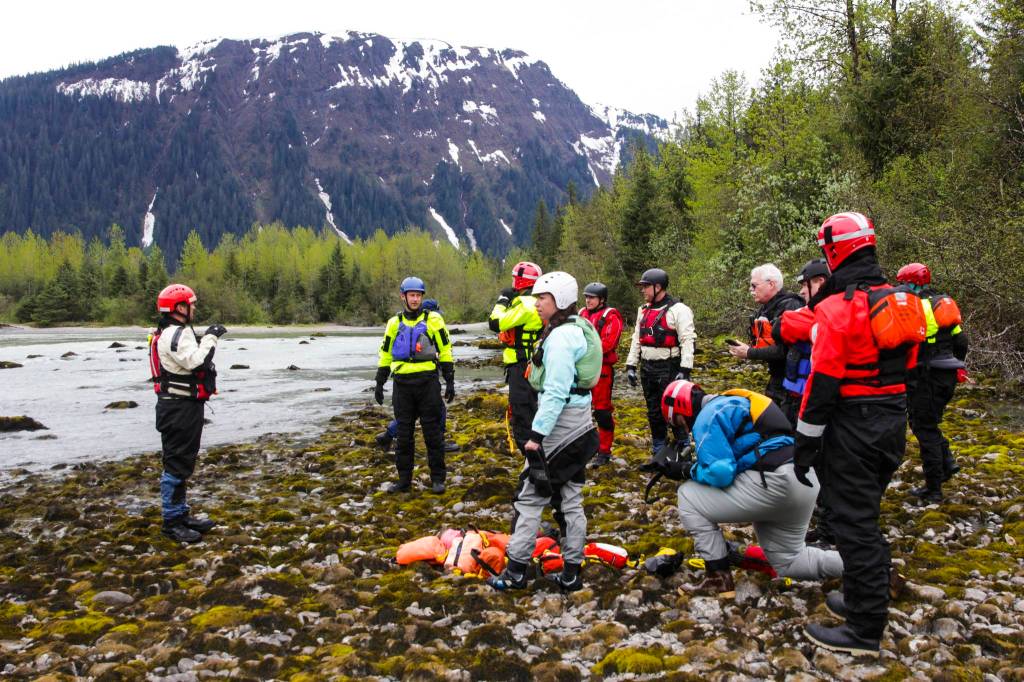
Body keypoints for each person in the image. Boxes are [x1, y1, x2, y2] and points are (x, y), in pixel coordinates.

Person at [783, 211, 917, 656]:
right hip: (893, 419)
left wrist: (804, 445)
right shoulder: (898, 298)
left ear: (834, 251)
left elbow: (821, 385)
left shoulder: (837, 309)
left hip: (853, 424)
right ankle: (862, 598)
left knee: (853, 525)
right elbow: (911, 366)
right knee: (865, 513)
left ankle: (865, 629)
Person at [661, 380, 844, 599]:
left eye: (678, 423)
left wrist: (684, 470)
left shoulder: (706, 417)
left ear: (681, 411)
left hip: (774, 482)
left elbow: (720, 473)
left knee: (688, 495)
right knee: (791, 561)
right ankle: (871, 570)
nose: (683, 428)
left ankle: (718, 578)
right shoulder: (734, 402)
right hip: (804, 480)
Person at [488, 272, 599, 592]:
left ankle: (516, 571)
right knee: (570, 496)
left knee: (530, 494)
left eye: (543, 299)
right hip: (580, 423)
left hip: (560, 426)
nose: (537, 304)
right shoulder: (579, 328)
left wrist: (536, 437)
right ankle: (572, 571)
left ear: (560, 302)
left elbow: (555, 391)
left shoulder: (563, 338)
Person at [149, 283, 227, 543]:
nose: (194, 308)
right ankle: (172, 522)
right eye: (191, 304)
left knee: (181, 461)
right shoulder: (177, 334)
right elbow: (196, 361)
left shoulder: (169, 332)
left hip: (178, 406)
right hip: (179, 408)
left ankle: (180, 514)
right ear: (179, 308)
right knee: (177, 463)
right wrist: (211, 336)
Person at [896, 262, 969, 503]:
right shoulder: (940, 303)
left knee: (923, 427)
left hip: (926, 375)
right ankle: (947, 463)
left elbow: (905, 344)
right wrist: (958, 365)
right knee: (929, 423)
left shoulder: (916, 307)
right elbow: (962, 342)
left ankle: (934, 488)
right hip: (947, 373)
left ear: (910, 283)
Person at [374, 277, 455, 494]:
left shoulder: (434, 320)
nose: (415, 299)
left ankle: (438, 479)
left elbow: (445, 350)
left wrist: (450, 380)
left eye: (418, 295)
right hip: (402, 385)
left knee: (433, 434)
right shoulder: (394, 323)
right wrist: (379, 383)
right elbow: (386, 354)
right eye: (411, 295)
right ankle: (404, 481)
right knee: (404, 435)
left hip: (427, 383)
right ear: (404, 297)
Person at [785, 258, 836, 546]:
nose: (802, 293)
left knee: (826, 464)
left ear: (818, 283)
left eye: (805, 285)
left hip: (825, 401)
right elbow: (787, 327)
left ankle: (833, 530)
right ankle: (827, 523)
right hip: (813, 397)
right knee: (820, 463)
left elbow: (791, 326)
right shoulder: (819, 312)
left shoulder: (829, 312)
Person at [625, 268, 697, 454]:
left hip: (669, 367)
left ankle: (683, 443)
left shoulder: (678, 310)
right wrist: (631, 364)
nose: (642, 290)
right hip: (647, 367)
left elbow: (687, 340)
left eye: (646, 286)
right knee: (653, 410)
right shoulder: (643, 311)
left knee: (674, 408)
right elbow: (637, 337)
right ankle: (659, 445)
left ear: (658, 287)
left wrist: (685, 369)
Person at [376, 299, 459, 454]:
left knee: (411, 414)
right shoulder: (428, 321)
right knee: (437, 410)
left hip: (417, 376)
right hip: (423, 377)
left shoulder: (420, 320)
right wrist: (449, 378)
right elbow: (443, 348)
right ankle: (439, 442)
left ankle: (387, 436)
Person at [728, 264, 804, 418]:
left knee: (783, 427)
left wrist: (750, 352)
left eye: (754, 285)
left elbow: (786, 351)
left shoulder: (791, 306)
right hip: (775, 378)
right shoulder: (765, 309)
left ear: (771, 284)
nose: (751, 290)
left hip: (791, 382)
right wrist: (747, 348)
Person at [489, 262, 545, 453]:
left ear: (520, 281)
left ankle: (534, 466)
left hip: (522, 366)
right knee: (532, 409)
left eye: (514, 278)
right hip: (531, 364)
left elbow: (495, 322)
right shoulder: (537, 301)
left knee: (522, 414)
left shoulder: (526, 303)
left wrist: (502, 300)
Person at [578, 282, 624, 466]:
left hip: (601, 369)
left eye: (592, 297)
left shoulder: (611, 317)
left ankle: (604, 451)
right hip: (581, 367)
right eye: (586, 297)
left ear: (602, 299)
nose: (588, 300)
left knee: (602, 412)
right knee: (578, 408)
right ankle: (583, 447)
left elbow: (608, 344)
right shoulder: (581, 314)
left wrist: (582, 351)